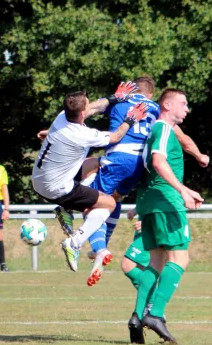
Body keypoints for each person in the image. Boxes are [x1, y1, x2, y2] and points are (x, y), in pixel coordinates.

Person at [83, 77, 209, 287]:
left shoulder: (120, 100)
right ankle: (101, 246)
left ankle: (98, 246)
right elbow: (183, 138)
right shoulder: (155, 110)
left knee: (91, 199)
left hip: (120, 159)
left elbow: (86, 110)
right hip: (141, 170)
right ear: (151, 94)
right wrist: (199, 156)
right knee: (115, 199)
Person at [32, 84, 147, 271]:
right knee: (108, 203)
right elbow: (116, 136)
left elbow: (95, 107)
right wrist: (131, 118)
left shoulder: (62, 118)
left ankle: (65, 208)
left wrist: (115, 97)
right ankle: (74, 243)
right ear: (82, 112)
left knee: (94, 163)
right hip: (57, 188)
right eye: (87, 104)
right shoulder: (83, 135)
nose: (91, 105)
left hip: (40, 177)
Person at [127, 88, 203, 345]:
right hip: (165, 201)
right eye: (183, 103)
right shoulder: (163, 129)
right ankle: (155, 314)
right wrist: (182, 190)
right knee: (180, 257)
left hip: (149, 201)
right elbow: (159, 162)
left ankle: (138, 317)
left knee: (156, 262)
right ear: (167, 106)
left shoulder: (156, 131)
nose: (187, 108)